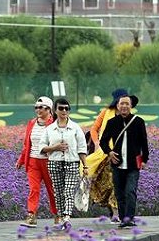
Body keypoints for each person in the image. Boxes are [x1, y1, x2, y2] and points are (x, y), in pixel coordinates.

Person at [99, 94, 149, 228]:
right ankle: (123, 219)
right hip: (117, 163)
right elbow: (103, 141)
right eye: (122, 104)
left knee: (130, 191)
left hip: (134, 164)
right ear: (117, 106)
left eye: (127, 104)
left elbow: (144, 142)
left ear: (131, 106)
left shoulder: (138, 122)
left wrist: (144, 159)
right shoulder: (112, 122)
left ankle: (129, 218)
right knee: (119, 193)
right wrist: (109, 152)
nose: (124, 106)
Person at [38, 97, 88, 230]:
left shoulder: (75, 128)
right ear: (55, 110)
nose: (64, 111)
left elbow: (82, 148)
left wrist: (85, 165)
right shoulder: (49, 129)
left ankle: (67, 217)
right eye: (61, 108)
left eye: (67, 108)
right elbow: (41, 148)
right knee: (58, 192)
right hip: (54, 163)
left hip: (72, 162)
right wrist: (55, 147)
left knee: (69, 190)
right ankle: (60, 216)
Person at [85, 89, 132, 222]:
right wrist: (97, 143)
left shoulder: (128, 115)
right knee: (108, 183)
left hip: (122, 154)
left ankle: (116, 212)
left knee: (118, 183)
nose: (123, 105)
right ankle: (114, 210)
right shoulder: (106, 113)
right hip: (105, 153)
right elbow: (94, 129)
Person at [15, 95, 59, 228]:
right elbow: (26, 144)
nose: (38, 110)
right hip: (33, 161)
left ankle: (58, 215)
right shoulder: (32, 123)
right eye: (36, 107)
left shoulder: (54, 124)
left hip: (49, 162)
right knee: (34, 189)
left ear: (49, 109)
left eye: (41, 107)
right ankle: (31, 215)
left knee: (52, 190)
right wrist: (21, 160)